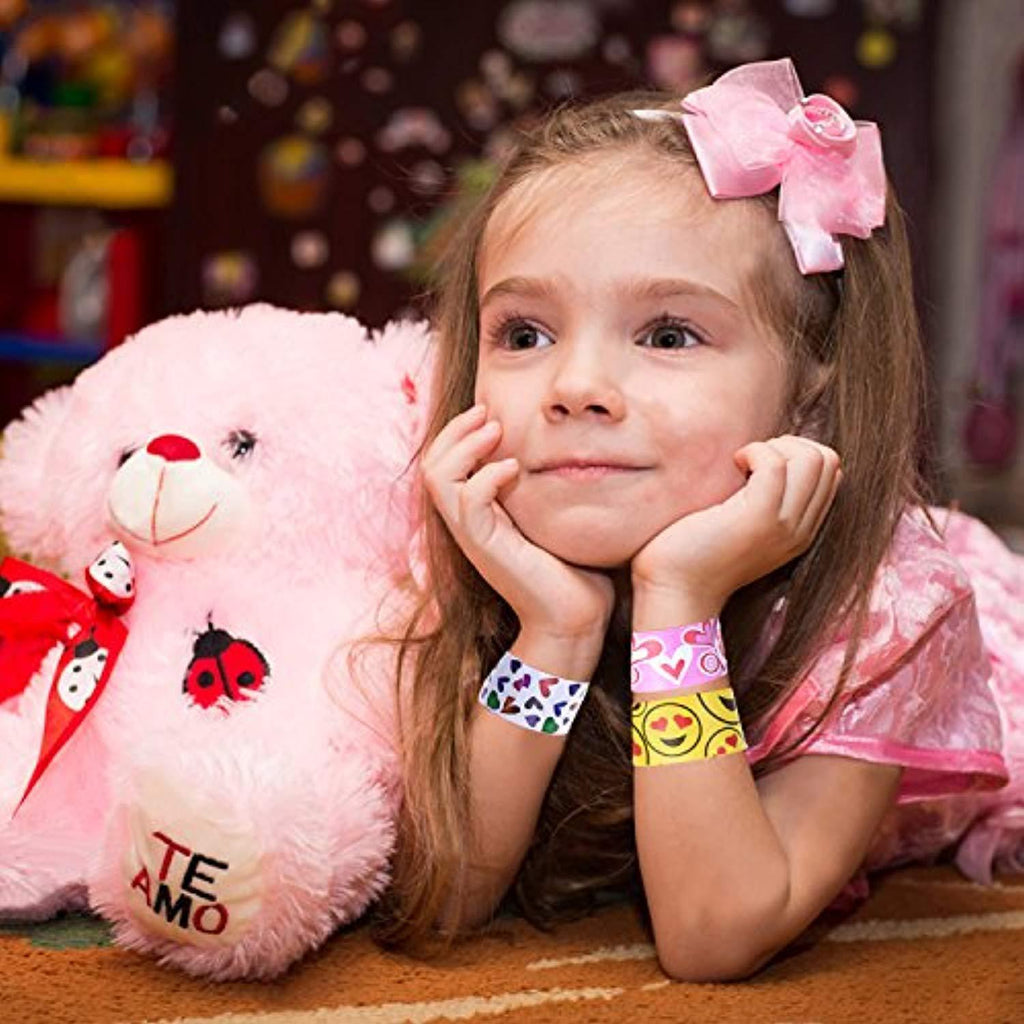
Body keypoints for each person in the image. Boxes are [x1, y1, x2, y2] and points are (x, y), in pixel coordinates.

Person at [362, 59, 1023, 982]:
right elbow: (443, 903)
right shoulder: (468, 541)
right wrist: (556, 631)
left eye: (668, 335)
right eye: (524, 334)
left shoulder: (891, 611)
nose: (576, 387)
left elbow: (714, 931)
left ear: (809, 393)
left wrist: (677, 605)